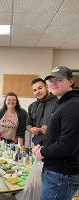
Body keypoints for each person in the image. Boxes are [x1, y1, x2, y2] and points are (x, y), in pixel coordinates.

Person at [33, 66, 79, 200]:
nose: (53, 83)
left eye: (58, 79)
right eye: (51, 80)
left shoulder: (73, 105)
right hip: (56, 172)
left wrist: (43, 152)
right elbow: (55, 135)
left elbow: (67, 145)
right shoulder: (63, 103)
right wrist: (41, 144)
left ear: (70, 81)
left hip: (62, 174)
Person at [26, 78, 58, 145]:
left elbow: (66, 126)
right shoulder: (32, 106)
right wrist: (31, 129)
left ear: (46, 87)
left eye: (40, 88)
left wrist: (51, 129)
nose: (37, 92)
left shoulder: (59, 102)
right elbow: (28, 124)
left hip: (54, 145)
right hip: (37, 145)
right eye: (35, 90)